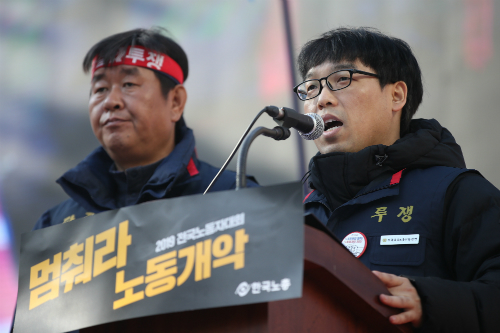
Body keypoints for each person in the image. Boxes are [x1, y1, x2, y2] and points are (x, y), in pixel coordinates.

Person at [298, 27, 500, 332]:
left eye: (342, 80)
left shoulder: (457, 193)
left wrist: (429, 302)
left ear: (396, 95)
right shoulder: (291, 210)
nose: (322, 99)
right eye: (311, 87)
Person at [33, 27, 258, 229]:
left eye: (129, 84)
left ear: (175, 102)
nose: (111, 101)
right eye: (100, 88)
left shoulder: (233, 195)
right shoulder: (54, 226)